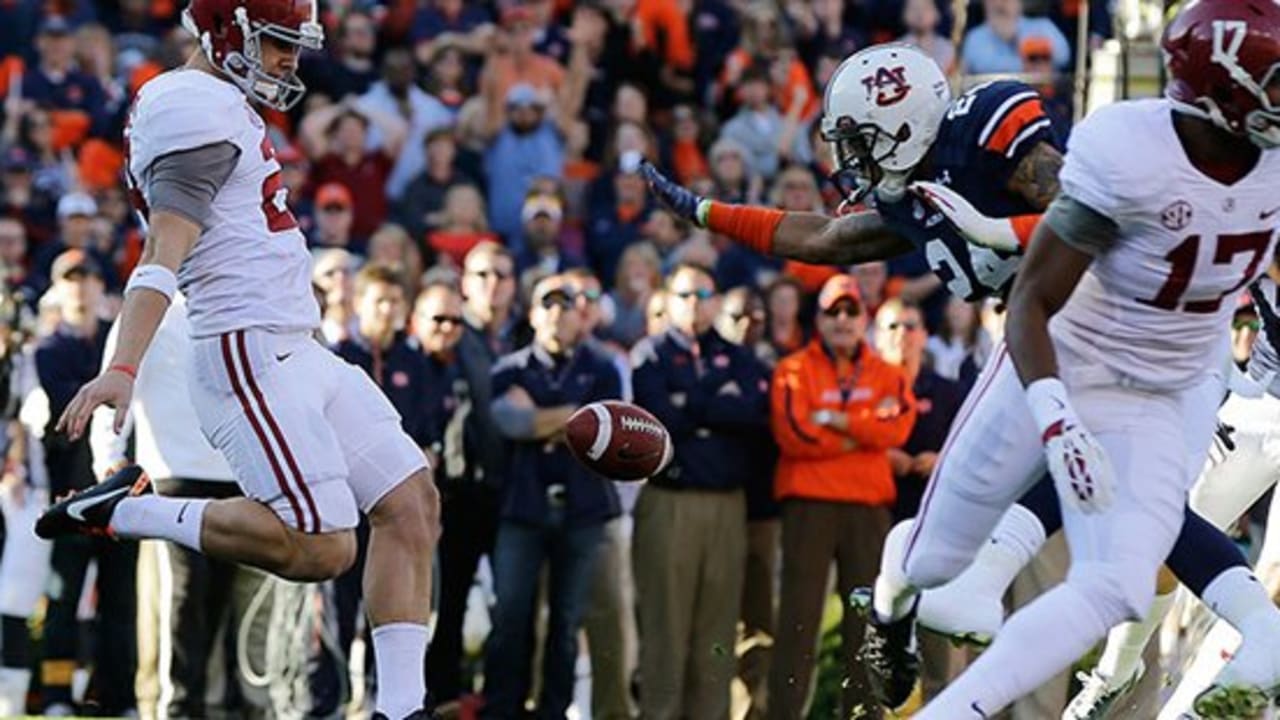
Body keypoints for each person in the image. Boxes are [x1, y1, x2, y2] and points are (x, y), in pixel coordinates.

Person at [640, 35, 1280, 716]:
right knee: (1036, 528)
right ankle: (908, 613)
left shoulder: (987, 130)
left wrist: (990, 230)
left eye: (858, 138)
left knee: (1132, 509)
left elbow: (1095, 217)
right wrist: (707, 212)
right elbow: (826, 239)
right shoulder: (909, 191)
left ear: (904, 123)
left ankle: (1222, 647)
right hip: (1065, 332)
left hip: (1121, 323)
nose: (847, 157)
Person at [35, 3, 440, 720]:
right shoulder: (190, 105)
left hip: (296, 341)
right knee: (324, 548)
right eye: (278, 43)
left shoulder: (221, 101)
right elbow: (161, 258)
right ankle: (129, 514)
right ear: (229, 31)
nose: (289, 61)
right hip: (243, 346)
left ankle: (400, 710)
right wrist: (122, 368)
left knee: (410, 501)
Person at [892, 1, 1280, 714]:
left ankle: (989, 705)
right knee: (939, 563)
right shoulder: (1130, 149)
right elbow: (1038, 293)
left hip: (1183, 380)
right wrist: (1055, 413)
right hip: (1101, 355)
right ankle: (910, 601)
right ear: (1226, 91)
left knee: (1126, 574)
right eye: (1275, 81)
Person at [87, 293, 298, 718]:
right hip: (172, 477)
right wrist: (110, 460)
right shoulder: (151, 307)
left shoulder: (248, 306)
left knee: (220, 608)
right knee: (178, 607)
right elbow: (115, 385)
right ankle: (172, 709)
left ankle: (210, 707)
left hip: (241, 480)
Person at [767, 275, 915, 720]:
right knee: (798, 621)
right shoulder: (792, 369)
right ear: (819, 319)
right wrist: (862, 435)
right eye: (834, 311)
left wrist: (834, 419)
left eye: (851, 311)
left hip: (868, 510)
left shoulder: (888, 374)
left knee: (869, 624)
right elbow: (794, 435)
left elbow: (897, 427)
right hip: (809, 506)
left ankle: (863, 716)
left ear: (864, 318)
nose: (843, 320)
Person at [630, 263, 770, 720]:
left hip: (728, 505)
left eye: (703, 294)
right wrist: (712, 401)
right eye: (685, 295)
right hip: (670, 501)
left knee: (717, 631)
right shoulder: (649, 355)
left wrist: (688, 400)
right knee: (665, 627)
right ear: (669, 300)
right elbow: (661, 423)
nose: (694, 304)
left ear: (716, 301)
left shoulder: (742, 358)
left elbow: (751, 415)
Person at [483, 274, 622, 719]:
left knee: (566, 624)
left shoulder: (602, 369)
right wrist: (574, 418)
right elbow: (511, 424)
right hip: (522, 510)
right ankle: (502, 709)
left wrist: (543, 417)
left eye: (567, 305)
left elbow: (606, 437)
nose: (558, 314)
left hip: (583, 512)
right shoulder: (508, 369)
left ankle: (552, 712)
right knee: (510, 619)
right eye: (548, 304)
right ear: (532, 312)